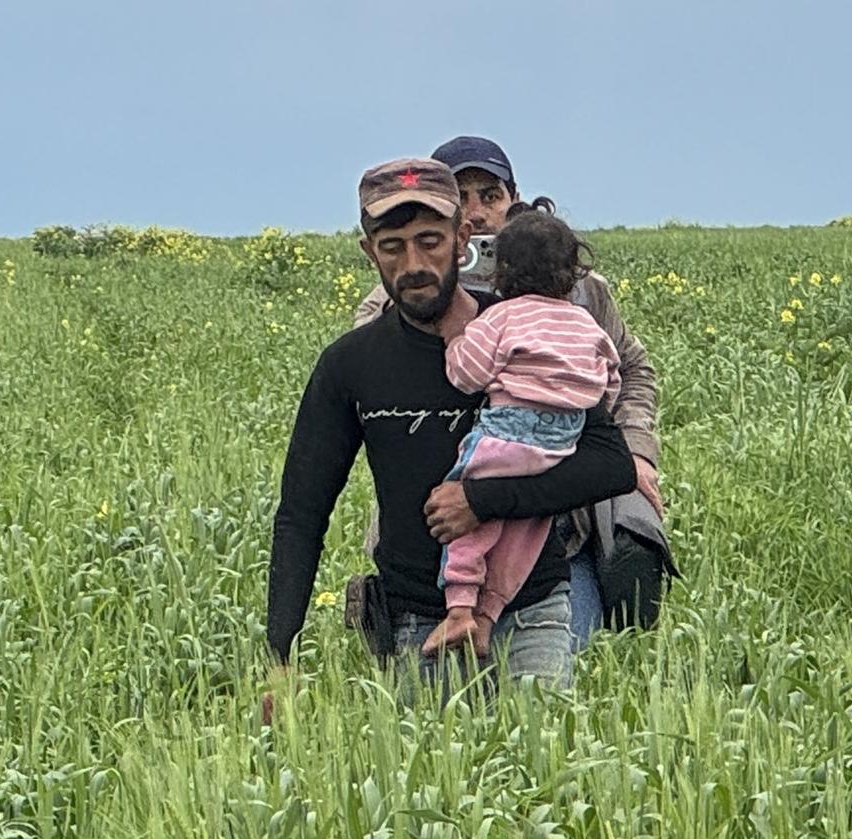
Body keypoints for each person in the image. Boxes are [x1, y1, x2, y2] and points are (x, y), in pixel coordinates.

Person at [267, 157, 637, 691]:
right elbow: (302, 513)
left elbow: (611, 466)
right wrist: (280, 655)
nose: (413, 263)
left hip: (532, 612)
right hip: (416, 624)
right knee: (427, 751)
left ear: (462, 238)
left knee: (544, 744)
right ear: (369, 251)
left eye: (430, 241)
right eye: (392, 247)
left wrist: (481, 500)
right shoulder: (351, 364)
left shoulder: (518, 330)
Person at [354, 135, 674, 645]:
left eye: (491, 196)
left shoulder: (580, 290)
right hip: (435, 538)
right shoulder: (397, 298)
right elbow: (371, 390)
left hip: (555, 524)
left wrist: (634, 452)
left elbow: (630, 368)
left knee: (555, 671)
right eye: (463, 200)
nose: (479, 214)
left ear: (514, 201)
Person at [424, 206, 622, 659]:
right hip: (563, 441)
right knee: (526, 532)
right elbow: (610, 377)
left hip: (508, 432)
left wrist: (454, 341)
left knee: (465, 507)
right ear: (573, 272)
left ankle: (459, 607)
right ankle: (489, 616)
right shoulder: (585, 323)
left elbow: (467, 376)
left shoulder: (501, 317)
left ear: (502, 271)